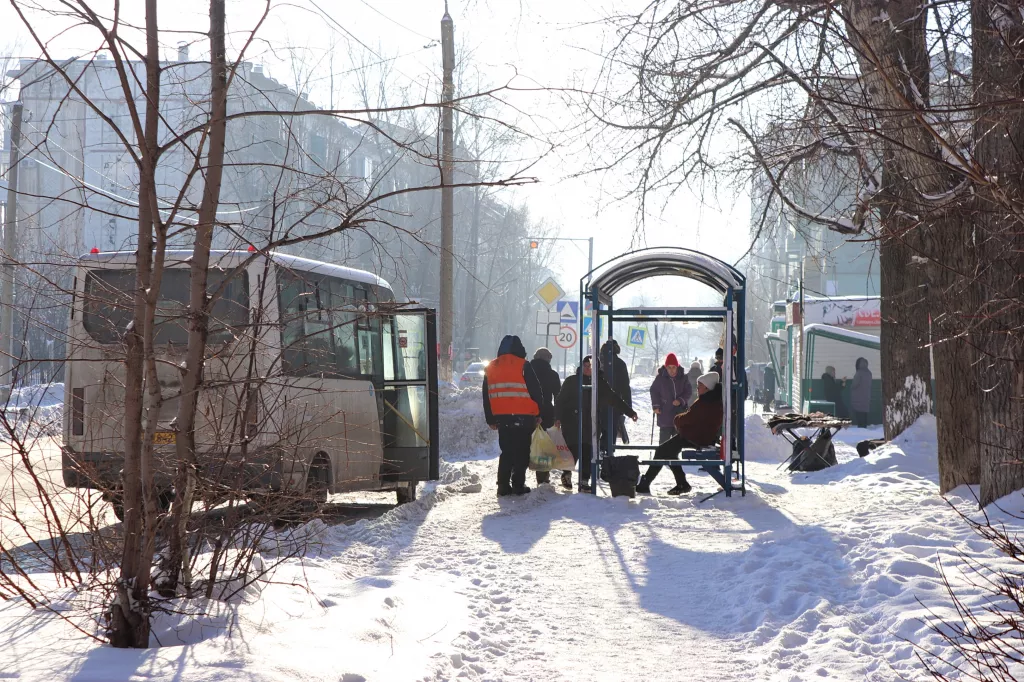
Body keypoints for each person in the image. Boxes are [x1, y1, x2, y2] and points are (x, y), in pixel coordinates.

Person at [555, 355, 638, 492]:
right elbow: (560, 401)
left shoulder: (599, 384)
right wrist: (557, 417)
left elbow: (614, 399)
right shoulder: (572, 381)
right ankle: (567, 473)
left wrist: (630, 412)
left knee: (588, 451)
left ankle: (584, 480)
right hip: (571, 422)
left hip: (590, 423)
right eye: (585, 366)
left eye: (591, 366)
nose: (588, 369)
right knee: (573, 449)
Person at [636, 372, 724, 496]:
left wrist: (677, 419)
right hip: (700, 436)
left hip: (695, 437)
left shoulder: (705, 402)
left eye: (700, 385)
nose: (697, 388)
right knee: (667, 451)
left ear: (707, 387)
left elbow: (688, 418)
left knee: (662, 451)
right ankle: (680, 483)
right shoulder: (712, 401)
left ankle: (647, 484)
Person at [482, 335, 544, 496]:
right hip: (524, 416)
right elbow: (535, 391)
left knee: (507, 451)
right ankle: (518, 484)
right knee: (522, 451)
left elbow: (486, 395)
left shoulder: (490, 367)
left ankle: (502, 485)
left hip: (502, 418)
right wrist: (539, 413)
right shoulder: (524, 366)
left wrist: (490, 418)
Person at [529, 347, 562, 485]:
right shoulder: (552, 375)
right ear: (548, 359)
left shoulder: (526, 372)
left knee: (524, 444)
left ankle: (517, 477)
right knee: (543, 445)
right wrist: (558, 415)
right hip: (547, 413)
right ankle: (542, 477)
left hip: (527, 412)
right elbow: (558, 397)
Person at [650, 353, 691, 444]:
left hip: (679, 414)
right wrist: (656, 406)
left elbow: (688, 391)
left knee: (677, 443)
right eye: (669, 367)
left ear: (677, 367)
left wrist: (680, 400)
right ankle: (662, 458)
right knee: (664, 443)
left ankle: (674, 458)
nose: (672, 370)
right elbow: (654, 391)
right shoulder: (660, 378)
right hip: (665, 413)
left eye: (674, 367)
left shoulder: (683, 378)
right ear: (666, 367)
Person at [601, 340, 633, 445]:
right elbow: (625, 387)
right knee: (611, 431)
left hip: (596, 403)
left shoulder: (597, 362)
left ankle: (597, 453)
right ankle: (609, 453)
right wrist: (628, 406)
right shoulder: (620, 363)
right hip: (615, 403)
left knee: (596, 431)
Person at [851, 357, 872, 428]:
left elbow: (854, 385)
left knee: (859, 414)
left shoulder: (859, 373)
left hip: (858, 397)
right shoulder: (869, 373)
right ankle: (864, 427)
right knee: (864, 414)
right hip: (866, 397)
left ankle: (861, 429)